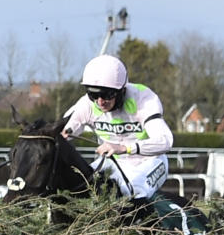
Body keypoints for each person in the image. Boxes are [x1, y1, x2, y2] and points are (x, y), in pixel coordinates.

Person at [61, 54, 174, 201]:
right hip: (113, 162)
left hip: (150, 161)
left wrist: (123, 148)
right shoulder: (86, 104)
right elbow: (64, 132)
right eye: (93, 94)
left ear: (121, 90)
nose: (100, 102)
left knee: (132, 192)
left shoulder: (144, 99)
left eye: (106, 94)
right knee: (82, 188)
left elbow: (165, 141)